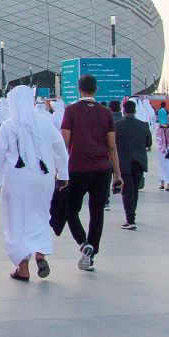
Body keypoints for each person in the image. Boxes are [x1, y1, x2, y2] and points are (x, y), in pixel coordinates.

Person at [0, 86, 69, 280]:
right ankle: (40, 255)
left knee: (17, 221)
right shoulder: (45, 122)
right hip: (43, 179)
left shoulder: (9, 125)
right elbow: (59, 148)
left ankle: (23, 269)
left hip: (17, 181)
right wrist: (63, 174)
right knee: (40, 215)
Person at [60, 74, 123, 271]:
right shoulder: (106, 113)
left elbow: (64, 142)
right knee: (97, 213)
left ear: (79, 90)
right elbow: (112, 145)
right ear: (96, 90)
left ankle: (83, 243)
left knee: (71, 210)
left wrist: (60, 170)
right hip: (102, 169)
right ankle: (91, 254)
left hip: (77, 168)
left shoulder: (70, 111)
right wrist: (118, 175)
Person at [115, 100, 153, 230]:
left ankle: (130, 219)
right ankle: (132, 214)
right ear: (135, 111)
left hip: (124, 162)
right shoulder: (143, 125)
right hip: (139, 161)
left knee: (127, 190)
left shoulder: (117, 126)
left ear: (123, 111)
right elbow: (149, 143)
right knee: (134, 189)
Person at [155, 122, 169, 191]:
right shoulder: (167, 133)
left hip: (166, 151)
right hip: (166, 151)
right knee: (165, 168)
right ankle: (164, 184)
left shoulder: (161, 132)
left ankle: (167, 184)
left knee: (166, 168)